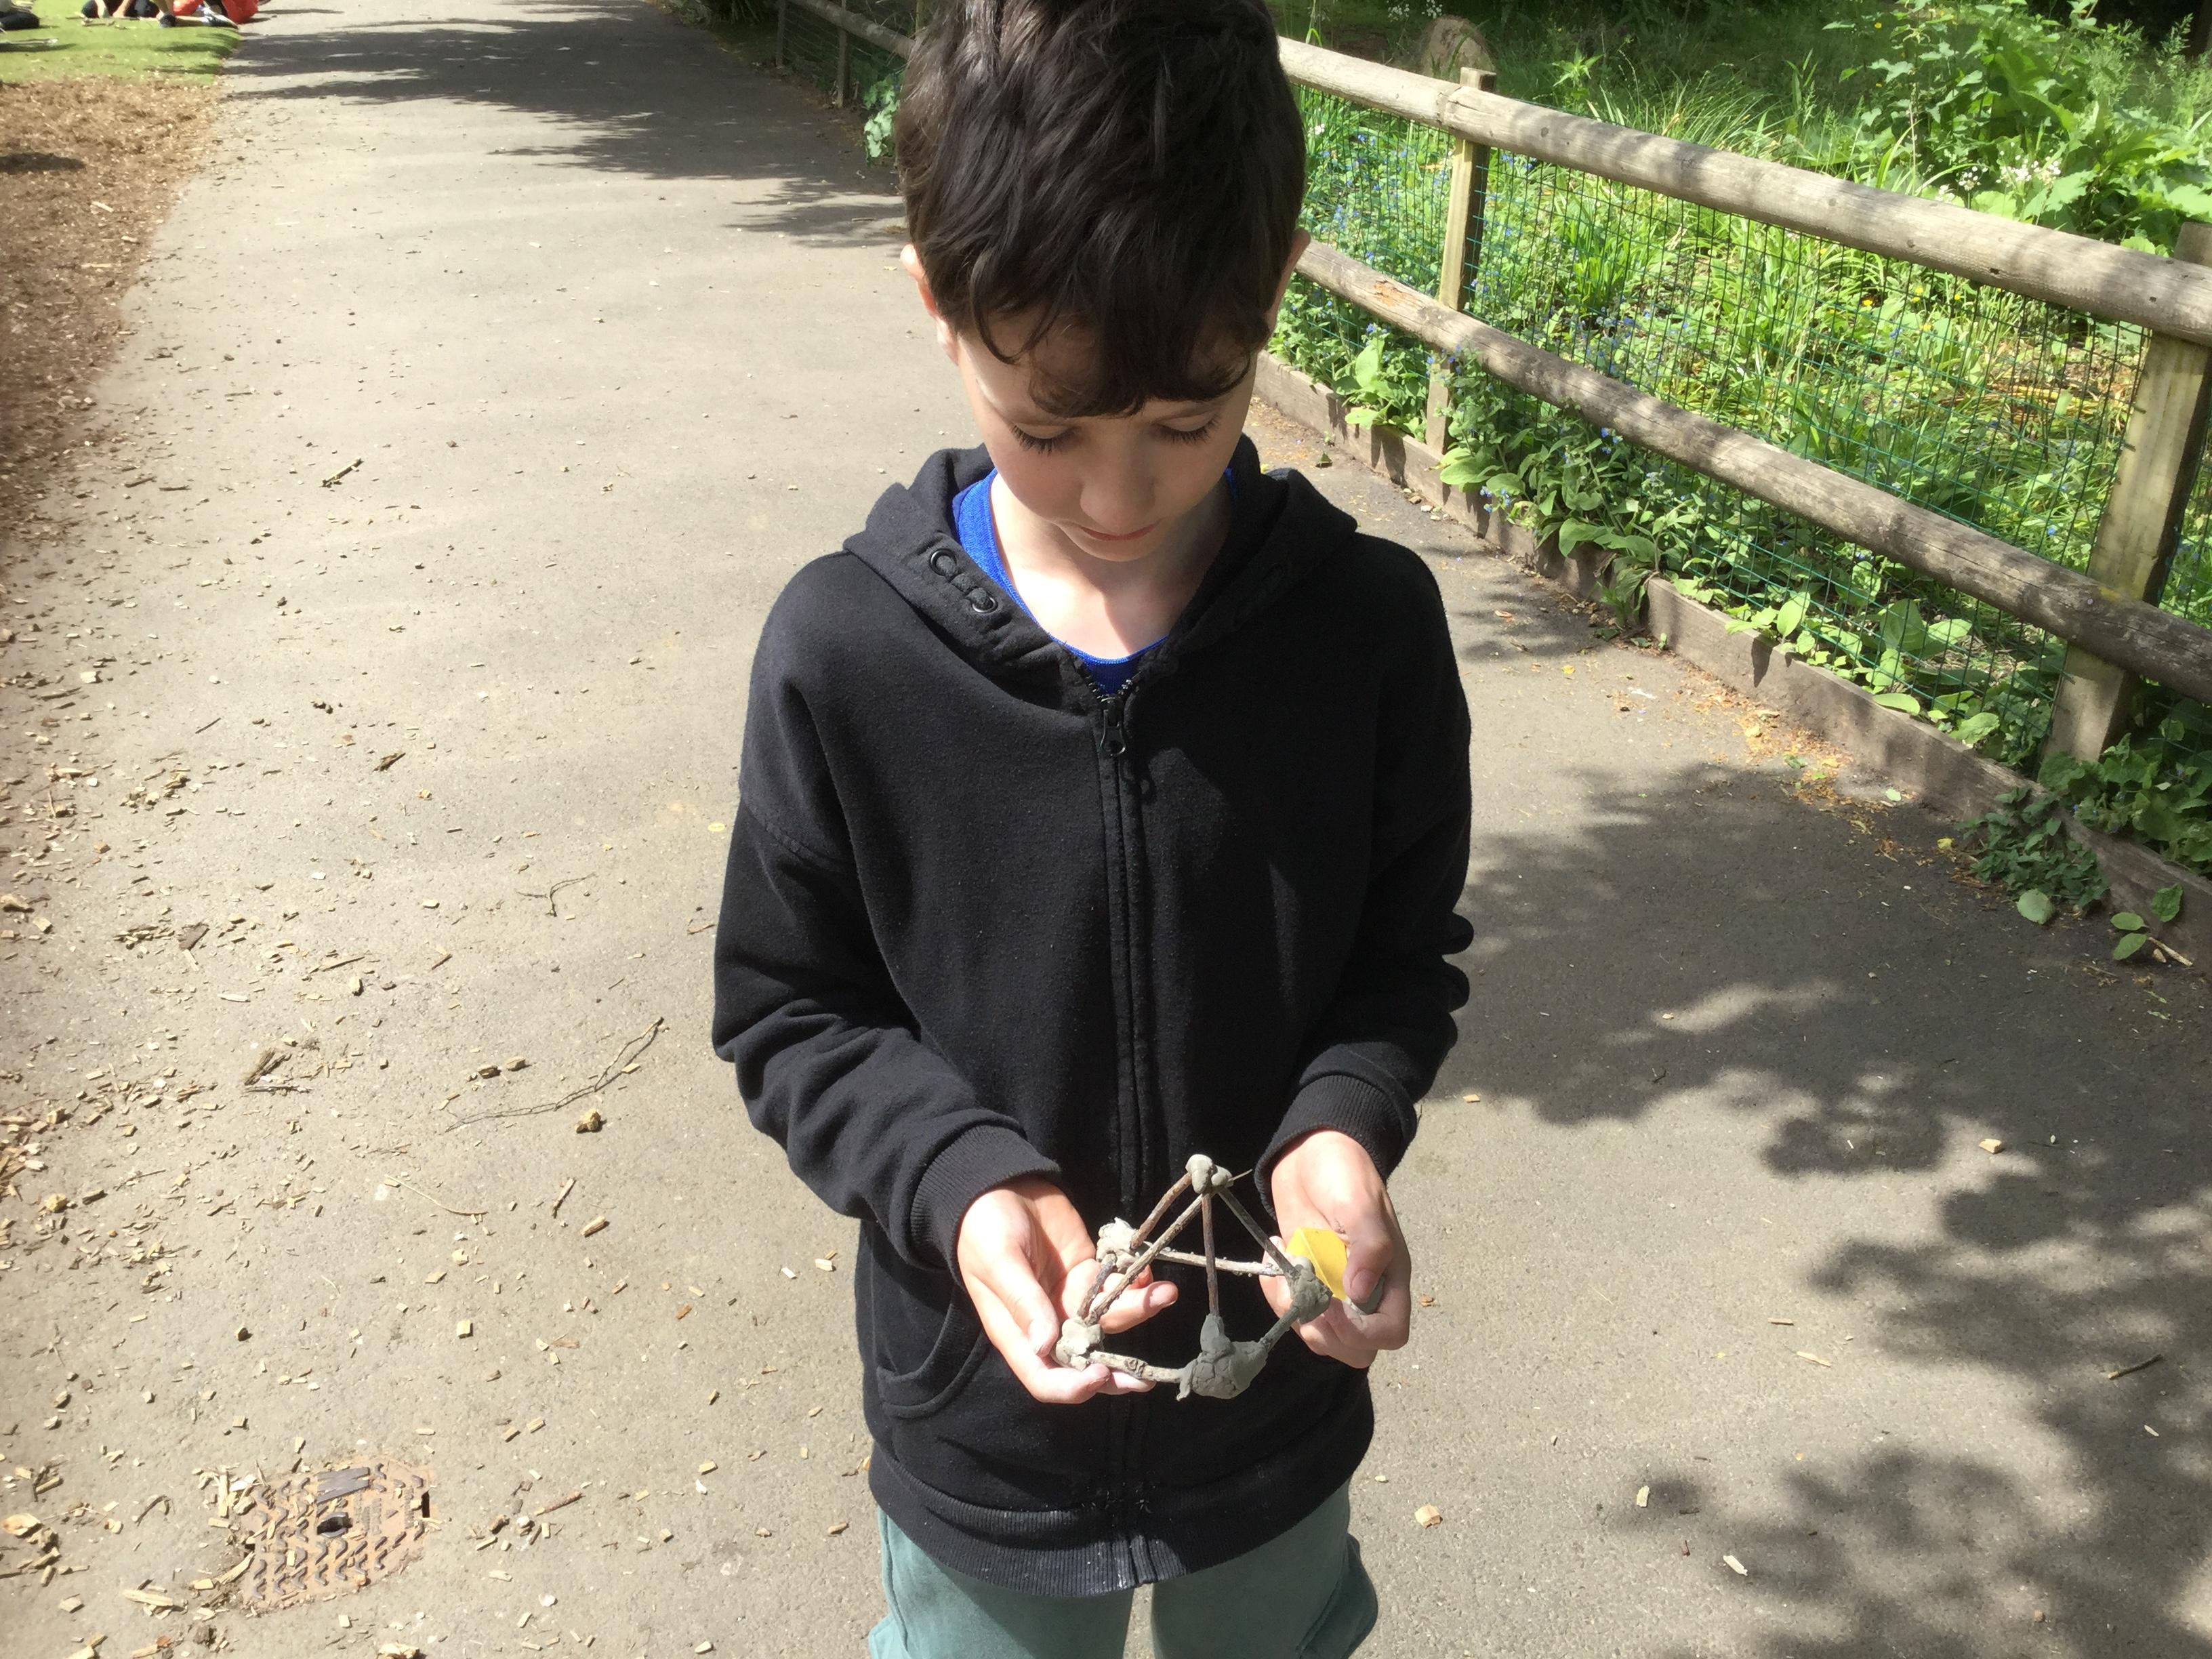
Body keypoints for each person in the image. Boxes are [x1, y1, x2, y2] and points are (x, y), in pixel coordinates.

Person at [710, 1, 1473, 1654]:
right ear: (938, 301)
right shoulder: (846, 656)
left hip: (1267, 1419)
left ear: (1272, 294)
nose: (1121, 496)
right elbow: (790, 1011)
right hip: (985, 1432)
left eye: (1190, 419)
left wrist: (1341, 1127)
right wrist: (958, 1181)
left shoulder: (1365, 634)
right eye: (1049, 428)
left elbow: (1400, 962)